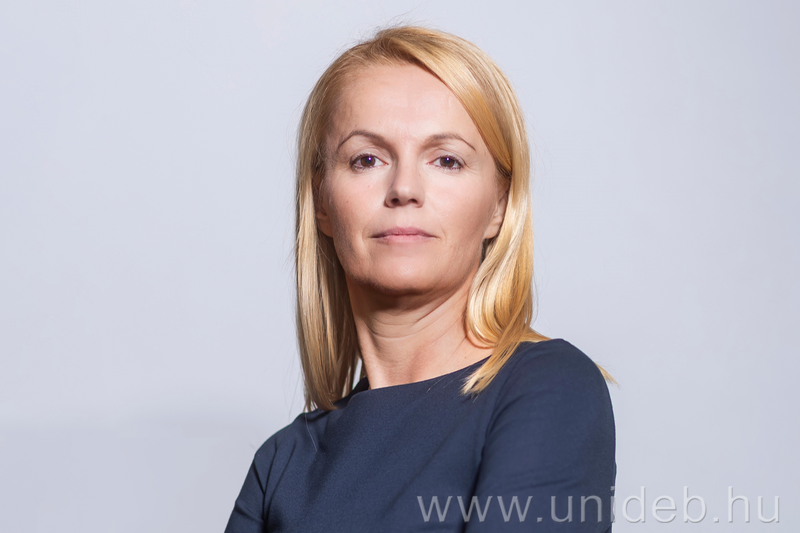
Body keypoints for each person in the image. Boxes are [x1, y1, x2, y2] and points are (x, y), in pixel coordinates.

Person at [224, 25, 615, 532]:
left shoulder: (548, 388)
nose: (404, 188)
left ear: (499, 206)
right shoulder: (280, 464)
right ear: (321, 202)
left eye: (446, 160)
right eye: (367, 159)